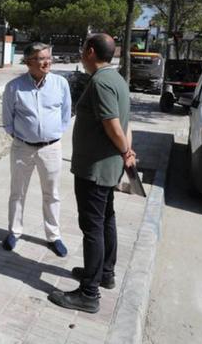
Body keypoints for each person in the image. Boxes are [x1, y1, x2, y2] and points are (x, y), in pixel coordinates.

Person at [49, 33, 135, 314]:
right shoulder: (118, 79)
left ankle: (89, 294)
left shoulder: (101, 82)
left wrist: (125, 152)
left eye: (82, 49)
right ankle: (103, 273)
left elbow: (113, 124)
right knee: (106, 219)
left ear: (89, 51)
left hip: (95, 168)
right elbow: (126, 122)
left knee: (92, 227)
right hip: (107, 167)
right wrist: (127, 153)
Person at [1, 43, 72, 257]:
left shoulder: (61, 83)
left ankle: (53, 236)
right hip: (22, 148)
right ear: (29, 62)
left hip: (51, 148)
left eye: (49, 57)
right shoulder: (14, 87)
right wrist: (24, 137)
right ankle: (14, 231)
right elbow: (7, 119)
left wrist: (51, 135)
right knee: (17, 192)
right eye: (41, 58)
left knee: (52, 193)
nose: (47, 62)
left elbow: (66, 114)